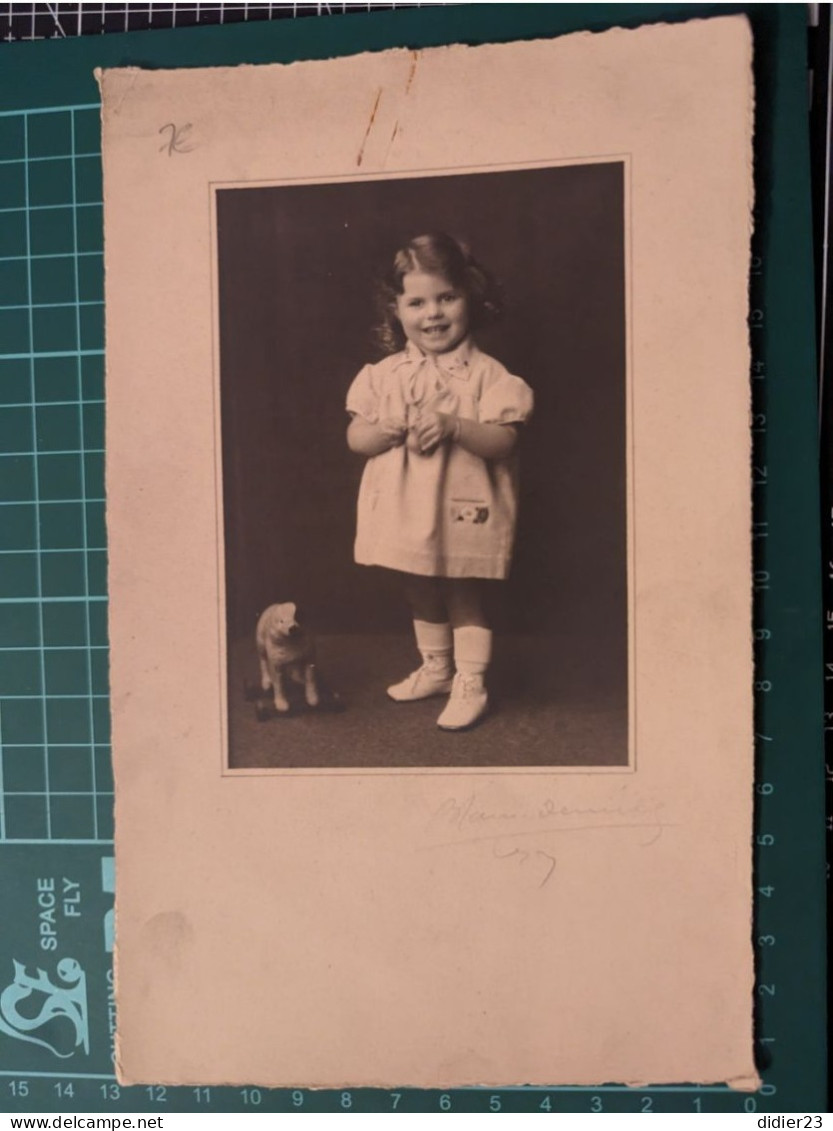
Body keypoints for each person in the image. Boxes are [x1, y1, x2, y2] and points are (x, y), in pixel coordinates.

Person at [345, 233, 534, 730]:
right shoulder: (385, 375)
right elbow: (354, 437)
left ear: (471, 296)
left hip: (461, 504)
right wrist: (379, 432)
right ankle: (437, 667)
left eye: (446, 297)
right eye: (417, 302)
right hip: (407, 505)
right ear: (396, 308)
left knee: (462, 591)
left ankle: (472, 679)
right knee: (418, 585)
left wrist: (456, 426)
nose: (433, 313)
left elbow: (504, 442)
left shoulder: (488, 376)